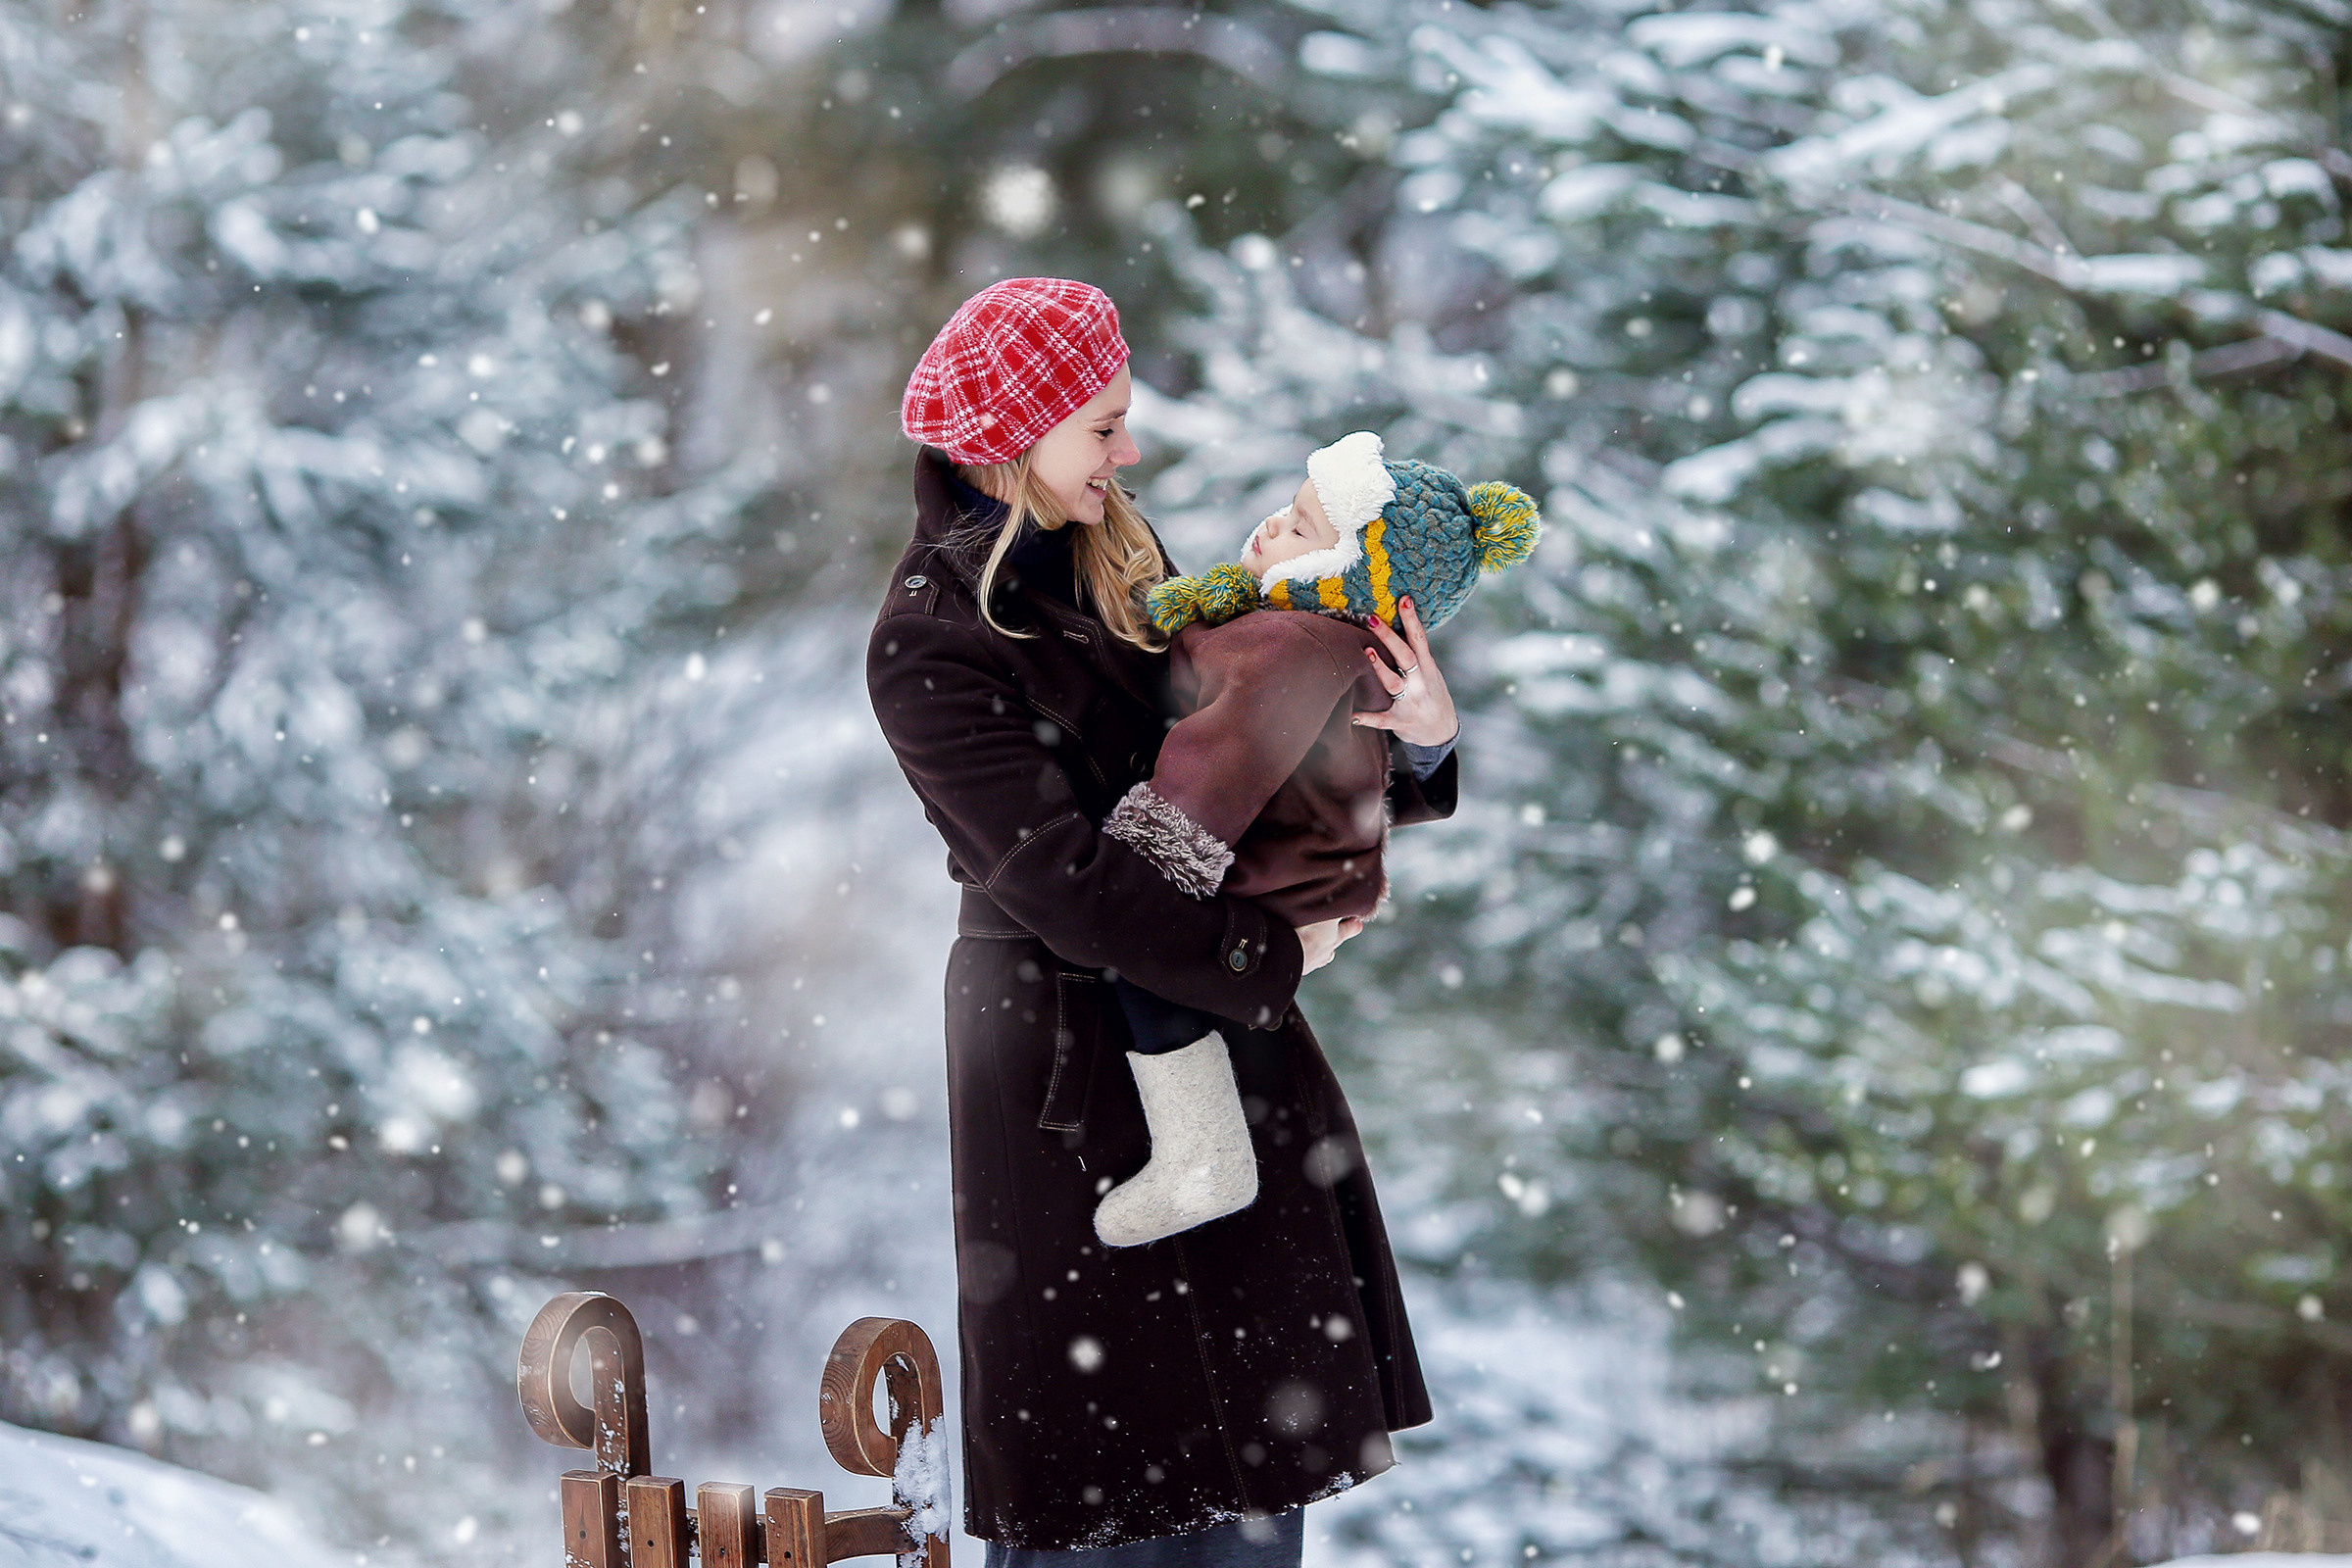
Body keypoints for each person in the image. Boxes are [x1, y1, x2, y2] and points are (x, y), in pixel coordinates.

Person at [865, 278, 1458, 1565]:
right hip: (1072, 1086)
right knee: (1112, 1502)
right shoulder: (928, 644)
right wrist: (1268, 958)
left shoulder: (1106, 557)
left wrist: (1413, 744)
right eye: (1102, 427)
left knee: (1248, 1495)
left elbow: (1244, 752)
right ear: (1014, 437)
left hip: (1220, 1056)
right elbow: (1068, 881)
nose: (1129, 452)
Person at [1090, 431, 1540, 1250]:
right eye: (1290, 508)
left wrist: (1142, 868)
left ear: (1348, 574)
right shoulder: (1308, 637)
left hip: (1270, 876)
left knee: (1144, 967)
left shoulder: (1289, 647)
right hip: (1307, 874)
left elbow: (1222, 758)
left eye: (1300, 530)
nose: (1272, 526)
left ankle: (1202, 1153)